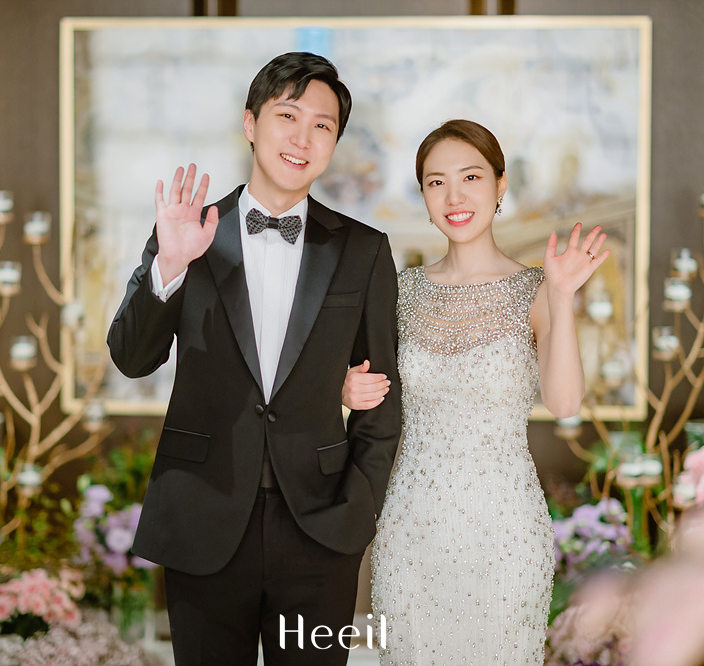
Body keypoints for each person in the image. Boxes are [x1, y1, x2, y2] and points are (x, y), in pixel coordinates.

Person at [107, 52, 402, 665]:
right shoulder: (188, 231)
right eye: (287, 116)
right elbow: (132, 358)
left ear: (335, 143)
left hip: (320, 530)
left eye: (322, 125)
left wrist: (358, 508)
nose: (302, 137)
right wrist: (171, 263)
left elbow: (382, 397)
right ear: (250, 123)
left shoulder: (364, 250)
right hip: (204, 518)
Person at [342, 119, 609, 664]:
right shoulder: (400, 292)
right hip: (410, 529)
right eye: (436, 183)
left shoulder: (537, 289)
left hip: (505, 531)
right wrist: (344, 389)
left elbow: (564, 403)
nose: (454, 197)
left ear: (500, 185)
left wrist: (561, 296)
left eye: (470, 177)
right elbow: (360, 386)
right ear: (423, 195)